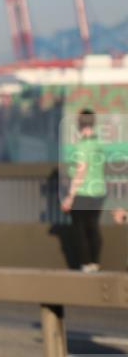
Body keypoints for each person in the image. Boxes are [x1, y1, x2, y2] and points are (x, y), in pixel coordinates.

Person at [61, 109, 106, 272]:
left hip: (83, 192)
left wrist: (70, 197)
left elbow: (81, 170)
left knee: (80, 230)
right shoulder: (99, 144)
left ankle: (86, 265)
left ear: (79, 123)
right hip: (99, 191)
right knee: (93, 227)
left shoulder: (81, 145)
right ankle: (95, 262)